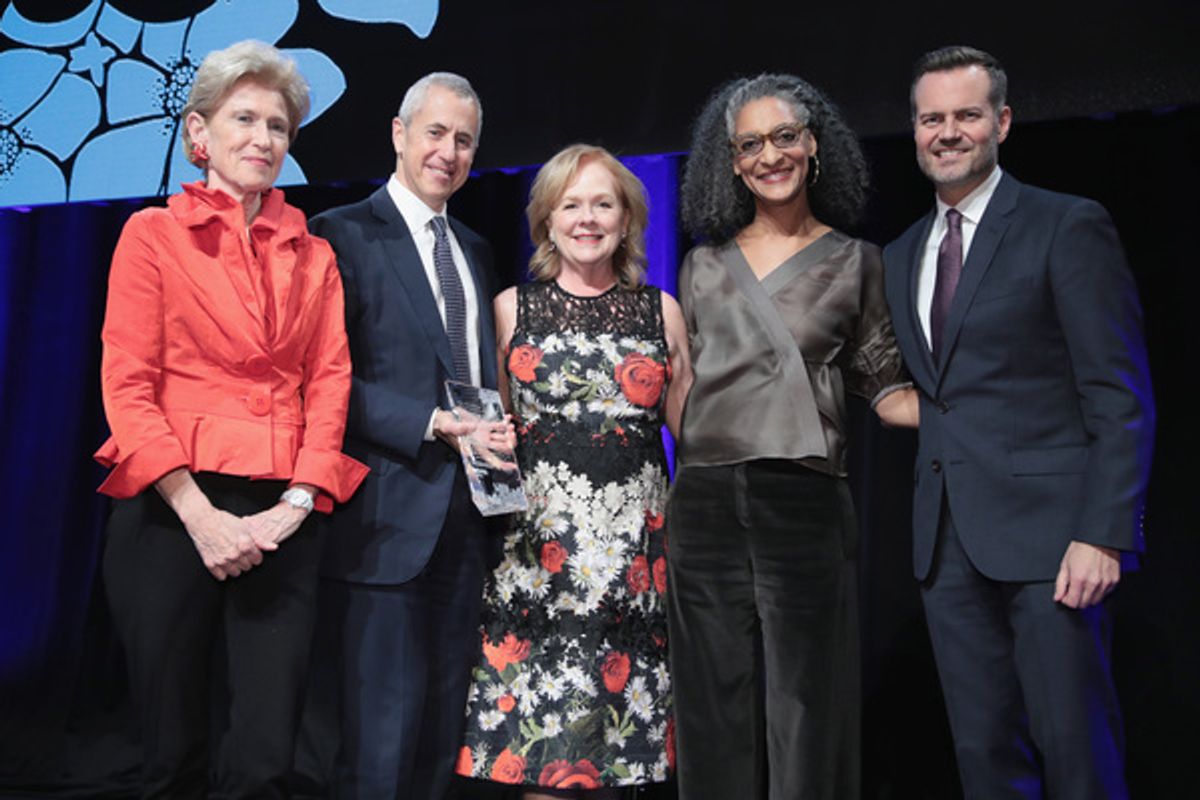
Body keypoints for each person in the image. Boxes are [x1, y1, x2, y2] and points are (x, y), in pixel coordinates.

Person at [881, 45, 1155, 799]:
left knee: (1076, 751)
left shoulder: (1065, 225)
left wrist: (1104, 532)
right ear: (914, 130)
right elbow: (943, 392)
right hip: (946, 546)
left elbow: (1119, 392)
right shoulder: (901, 254)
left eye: (966, 115)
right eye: (931, 119)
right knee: (985, 756)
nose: (947, 132)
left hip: (1054, 543)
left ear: (1001, 122)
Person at [94, 40, 367, 799]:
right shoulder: (151, 235)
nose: (262, 138)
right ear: (199, 133)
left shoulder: (314, 255)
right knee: (171, 758)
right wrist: (201, 517)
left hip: (282, 516)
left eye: (278, 126)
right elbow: (128, 385)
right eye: (243, 119)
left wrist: (296, 503)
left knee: (266, 761)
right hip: (171, 509)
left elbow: (330, 384)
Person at [668, 74, 918, 800]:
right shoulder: (702, 264)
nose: (769, 155)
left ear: (814, 145)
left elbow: (889, 390)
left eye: (784, 137)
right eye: (750, 144)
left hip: (804, 501)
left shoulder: (857, 261)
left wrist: (989, 412)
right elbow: (683, 388)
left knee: (810, 708)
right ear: (732, 162)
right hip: (705, 504)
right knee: (712, 706)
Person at [455, 144, 692, 797]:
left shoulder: (662, 312)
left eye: (603, 204)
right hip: (539, 563)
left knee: (618, 757)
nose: (587, 219)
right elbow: (489, 432)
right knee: (546, 758)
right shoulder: (511, 309)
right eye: (571, 205)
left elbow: (693, 436)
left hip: (632, 567)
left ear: (626, 218)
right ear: (547, 221)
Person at [308, 72, 502, 799]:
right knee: (377, 747)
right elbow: (322, 380)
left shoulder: (475, 249)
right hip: (382, 523)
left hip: (469, 523)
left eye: (464, 140)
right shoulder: (340, 233)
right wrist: (428, 423)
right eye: (435, 133)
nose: (448, 152)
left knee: (437, 743)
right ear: (399, 133)